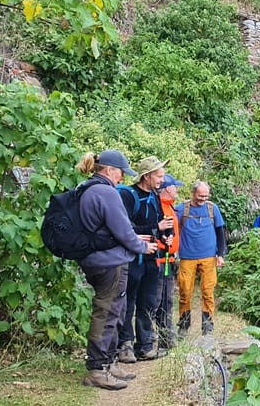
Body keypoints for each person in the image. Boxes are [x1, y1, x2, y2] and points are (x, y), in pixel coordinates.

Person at [75, 150, 158, 391]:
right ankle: (98, 369)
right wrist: (142, 246)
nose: (122, 178)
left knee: (113, 311)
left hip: (96, 260)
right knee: (108, 313)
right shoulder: (106, 192)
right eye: (121, 172)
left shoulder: (87, 188)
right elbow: (122, 230)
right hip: (109, 263)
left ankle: (108, 363)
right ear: (110, 170)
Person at [115, 156, 171, 364]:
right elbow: (123, 228)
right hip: (132, 258)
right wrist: (155, 229)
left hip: (151, 258)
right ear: (146, 176)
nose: (162, 180)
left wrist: (165, 235)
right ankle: (125, 345)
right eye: (159, 175)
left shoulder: (155, 195)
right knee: (128, 302)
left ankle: (145, 346)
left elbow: (156, 224)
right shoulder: (127, 196)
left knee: (148, 302)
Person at [174, 181, 226, 336]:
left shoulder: (212, 208)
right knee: (185, 291)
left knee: (208, 291)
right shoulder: (182, 209)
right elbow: (172, 229)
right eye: (200, 196)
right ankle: (184, 324)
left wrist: (221, 254)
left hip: (209, 256)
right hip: (187, 256)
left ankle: (208, 324)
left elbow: (220, 231)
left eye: (206, 195)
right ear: (193, 193)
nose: (203, 198)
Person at [154, 173, 182, 355]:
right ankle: (160, 339)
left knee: (167, 300)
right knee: (158, 301)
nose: (177, 190)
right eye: (175, 187)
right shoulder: (160, 208)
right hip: (159, 261)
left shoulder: (169, 207)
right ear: (167, 189)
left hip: (168, 261)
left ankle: (167, 337)